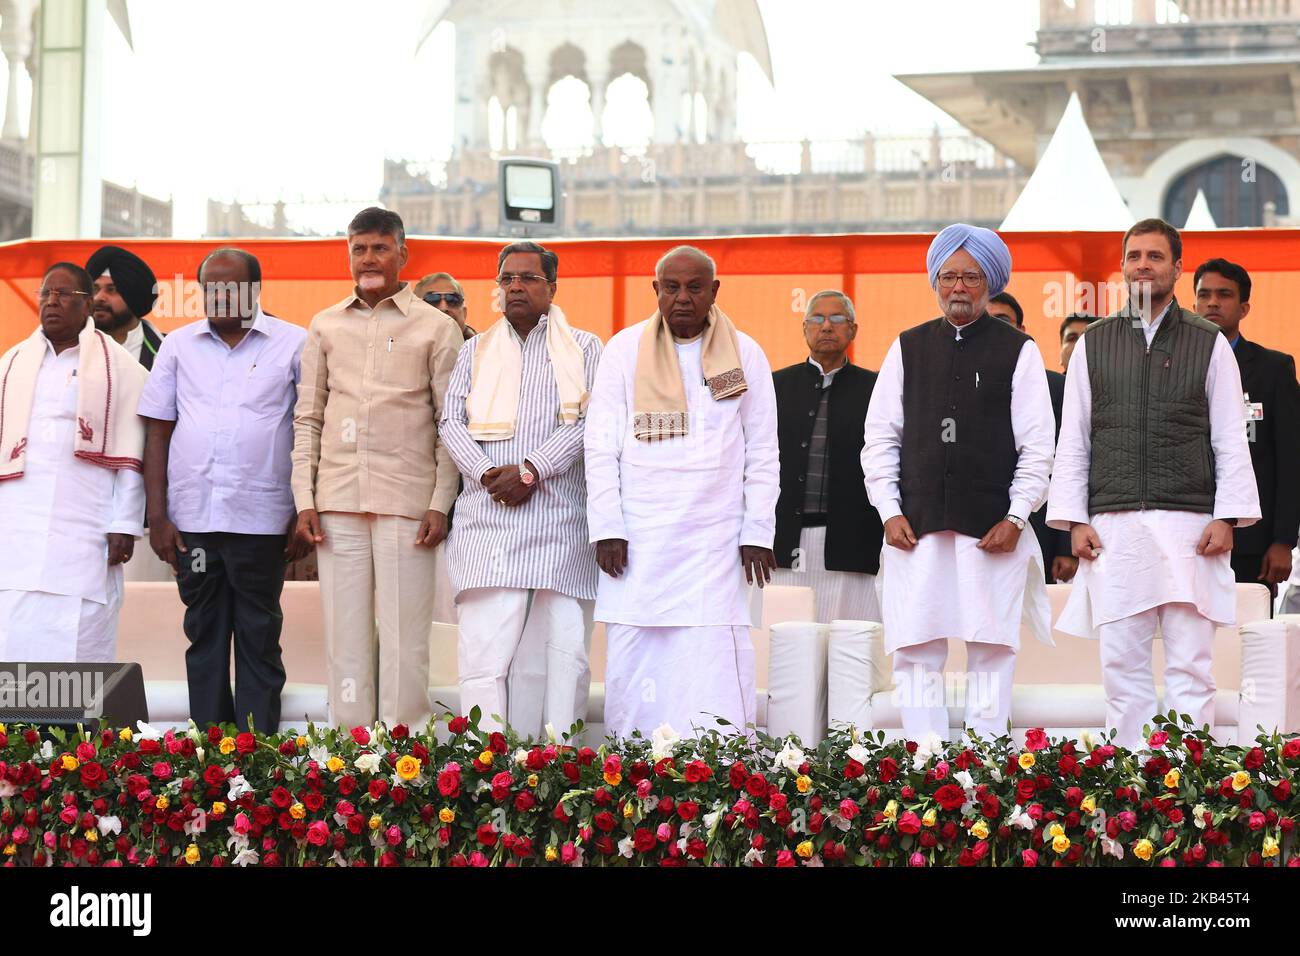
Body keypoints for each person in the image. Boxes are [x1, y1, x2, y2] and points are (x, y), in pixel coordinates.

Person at [1047, 219, 1260, 749]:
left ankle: (1191, 788)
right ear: (1122, 266)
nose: (1144, 264)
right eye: (1135, 255)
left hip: (1192, 525)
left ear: (1176, 268)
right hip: (1114, 526)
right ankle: (1129, 786)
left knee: (1191, 667)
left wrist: (1227, 516)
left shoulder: (1209, 342)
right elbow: (1073, 440)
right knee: (1122, 668)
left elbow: (1230, 438)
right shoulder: (1094, 343)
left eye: (1155, 257)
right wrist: (1074, 520)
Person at [862, 223, 1055, 743]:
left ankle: (984, 762)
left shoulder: (1021, 350)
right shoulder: (907, 347)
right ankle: (925, 758)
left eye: (971, 276)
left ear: (989, 282)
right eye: (949, 276)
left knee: (990, 646)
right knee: (916, 647)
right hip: (915, 528)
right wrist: (888, 510)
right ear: (935, 281)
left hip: (992, 530)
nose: (959, 288)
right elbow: (879, 440)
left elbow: (1038, 447)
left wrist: (1017, 517)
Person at [584, 245, 779, 739]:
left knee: (711, 663)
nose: (683, 297)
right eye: (671, 287)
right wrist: (607, 527)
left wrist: (758, 531)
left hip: (715, 543)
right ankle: (634, 770)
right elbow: (600, 448)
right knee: (637, 662)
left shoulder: (746, 354)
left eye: (695, 287)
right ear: (656, 291)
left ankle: (717, 775)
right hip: (639, 540)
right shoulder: (623, 351)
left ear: (715, 291)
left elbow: (763, 451)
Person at [291, 207, 464, 731]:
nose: (369, 258)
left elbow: (449, 424)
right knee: (345, 638)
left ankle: (404, 758)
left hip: (407, 506)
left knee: (404, 639)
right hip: (337, 503)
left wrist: (440, 502)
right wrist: (305, 498)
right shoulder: (324, 325)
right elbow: (309, 417)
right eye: (359, 248)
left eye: (380, 248)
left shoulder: (435, 327)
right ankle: (350, 754)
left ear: (402, 254)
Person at [138, 248, 310, 732]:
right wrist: (158, 517)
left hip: (262, 524)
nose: (220, 295)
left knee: (258, 635)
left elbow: (310, 429)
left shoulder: (295, 344)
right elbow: (157, 432)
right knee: (204, 631)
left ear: (255, 290)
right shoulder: (178, 346)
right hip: (193, 529)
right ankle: (212, 752)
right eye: (210, 286)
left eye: (231, 285)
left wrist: (304, 510)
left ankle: (255, 756)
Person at [439, 241, 602, 738]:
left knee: (563, 655)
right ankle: (487, 771)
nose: (515, 286)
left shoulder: (587, 347)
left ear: (552, 287)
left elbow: (591, 424)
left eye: (528, 278)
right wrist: (490, 474)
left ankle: (558, 771)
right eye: (507, 278)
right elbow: (451, 422)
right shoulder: (474, 349)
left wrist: (532, 470)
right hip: (487, 523)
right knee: (484, 658)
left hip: (559, 520)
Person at [0, 263, 148, 661]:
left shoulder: (122, 370)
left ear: (87, 305)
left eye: (64, 294)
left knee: (79, 636)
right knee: (13, 627)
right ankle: (13, 725)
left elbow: (132, 454)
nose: (52, 301)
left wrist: (125, 524)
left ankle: (76, 726)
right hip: (17, 527)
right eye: (46, 293)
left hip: (87, 525)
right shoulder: (10, 364)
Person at [771, 290, 883, 623]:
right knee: (788, 645)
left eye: (837, 319)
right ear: (804, 328)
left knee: (849, 646)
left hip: (852, 540)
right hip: (784, 538)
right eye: (817, 319)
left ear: (853, 330)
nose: (826, 327)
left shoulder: (878, 389)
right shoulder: (775, 385)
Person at [1193, 258, 1300, 601]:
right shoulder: (1171, 364)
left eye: (1224, 295)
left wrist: (1283, 540)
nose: (1212, 302)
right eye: (1204, 294)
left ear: (1244, 307)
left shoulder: (1273, 369)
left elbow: (1290, 460)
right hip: (1183, 533)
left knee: (1246, 644)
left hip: (1251, 542)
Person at [989, 291, 1075, 583]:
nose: (994, 327)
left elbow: (1069, 463)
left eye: (1002, 320)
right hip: (976, 528)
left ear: (1022, 329)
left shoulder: (1056, 386)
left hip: (1041, 528)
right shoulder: (957, 381)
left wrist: (1066, 544)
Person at [85, 245, 165, 370]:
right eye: (95, 289)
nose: (99, 297)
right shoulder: (70, 346)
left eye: (112, 290)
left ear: (134, 296)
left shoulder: (170, 352)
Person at [415, 272, 476, 339]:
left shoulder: (481, 348)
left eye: (453, 300)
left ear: (464, 313)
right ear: (414, 310)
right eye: (432, 299)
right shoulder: (402, 346)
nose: (443, 307)